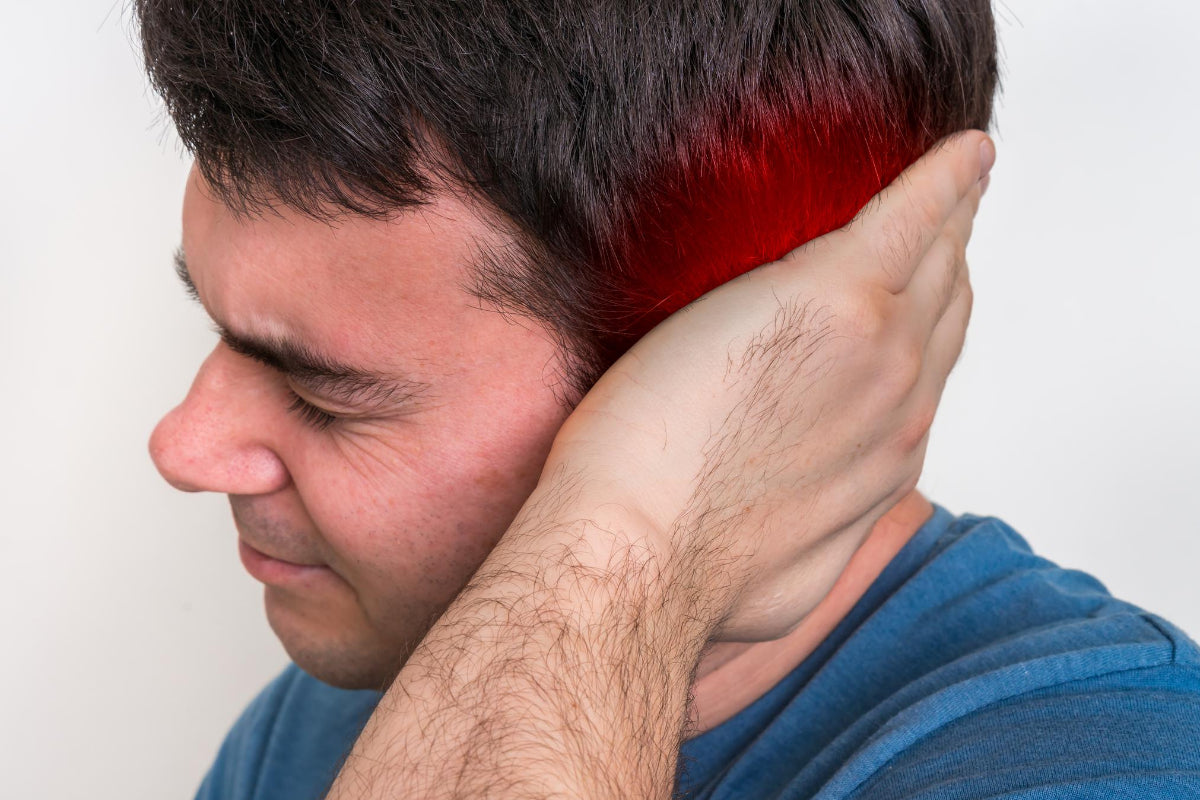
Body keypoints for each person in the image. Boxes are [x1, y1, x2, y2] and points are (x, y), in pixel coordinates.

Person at [136, 1, 1200, 798]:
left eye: (327, 393)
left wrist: (639, 522)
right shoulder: (326, 725)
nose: (185, 443)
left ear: (731, 370)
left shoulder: (1103, 762)